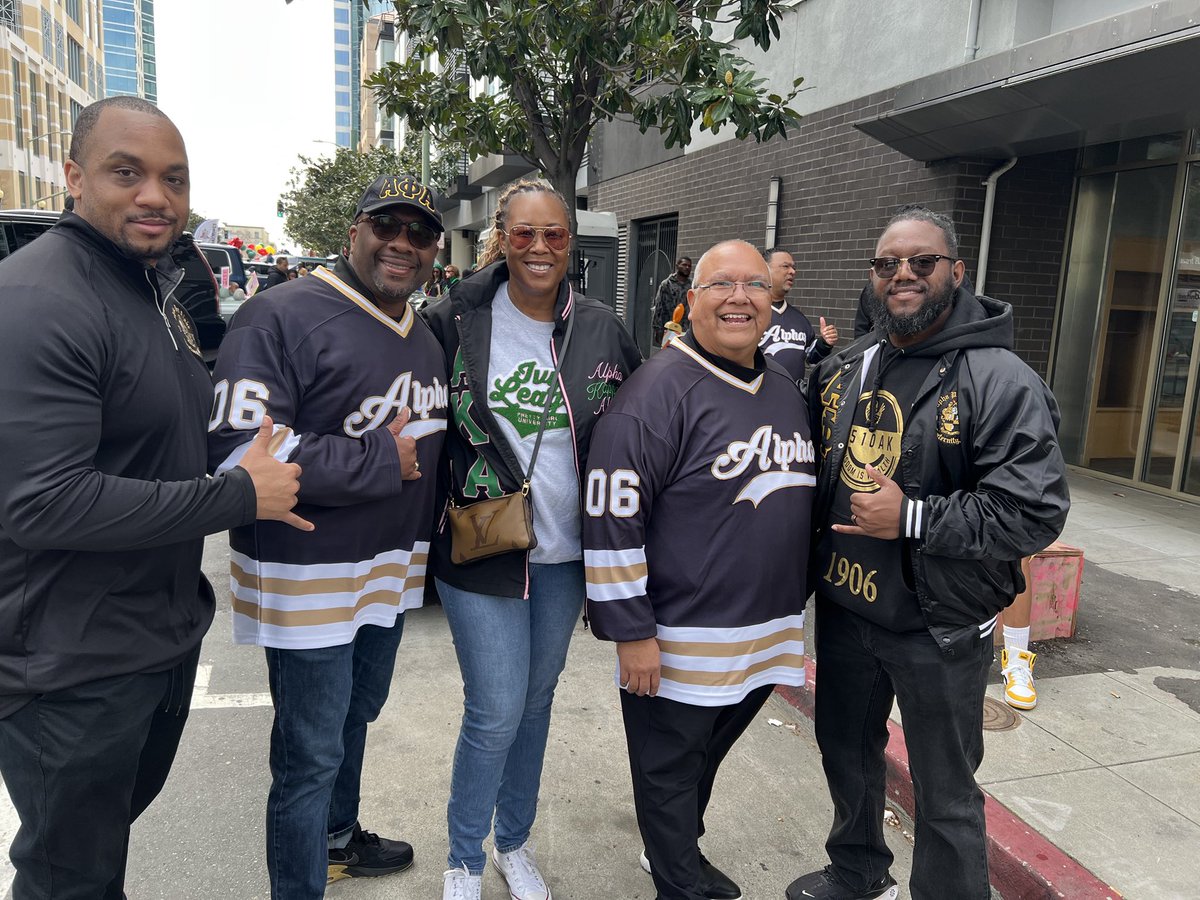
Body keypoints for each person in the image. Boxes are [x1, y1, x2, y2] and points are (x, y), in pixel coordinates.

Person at [0, 96, 306, 900]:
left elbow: (158, 436)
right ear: (74, 177)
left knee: (97, 867)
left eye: (174, 179)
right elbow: (45, 502)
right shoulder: (40, 298)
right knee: (68, 882)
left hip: (145, 645)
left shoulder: (146, 289)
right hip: (69, 670)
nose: (155, 196)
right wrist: (237, 496)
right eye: (126, 172)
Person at [788, 205, 1069, 900]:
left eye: (921, 262)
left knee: (945, 794)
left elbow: (1033, 511)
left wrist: (911, 517)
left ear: (957, 272)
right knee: (847, 757)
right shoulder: (850, 363)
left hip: (936, 625)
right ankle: (857, 873)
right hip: (847, 609)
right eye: (888, 264)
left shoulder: (1001, 379)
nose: (903, 275)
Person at [207, 174, 450, 900]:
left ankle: (339, 840)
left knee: (356, 717)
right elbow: (237, 448)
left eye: (419, 232)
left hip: (391, 568)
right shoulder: (279, 314)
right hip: (307, 573)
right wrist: (378, 459)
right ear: (354, 231)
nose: (402, 243)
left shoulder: (423, 332)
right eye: (387, 226)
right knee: (309, 755)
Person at [422, 178, 641, 900]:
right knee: (494, 710)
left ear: (570, 243)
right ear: (501, 238)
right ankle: (463, 858)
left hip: (565, 556)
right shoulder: (454, 320)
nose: (539, 247)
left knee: (536, 702)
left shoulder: (601, 327)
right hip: (482, 547)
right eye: (524, 233)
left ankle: (513, 843)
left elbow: (643, 427)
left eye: (554, 234)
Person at [583, 240, 814, 900]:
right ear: (690, 301)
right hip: (680, 637)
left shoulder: (783, 387)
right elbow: (610, 517)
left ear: (773, 301)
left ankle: (679, 852)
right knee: (668, 769)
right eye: (721, 285)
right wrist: (631, 630)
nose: (739, 298)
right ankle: (678, 881)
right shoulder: (654, 391)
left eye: (754, 285)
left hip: (766, 634)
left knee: (700, 762)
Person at [759, 247, 839, 383]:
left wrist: (824, 344)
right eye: (785, 266)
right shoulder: (749, 315)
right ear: (764, 270)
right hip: (756, 393)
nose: (792, 271)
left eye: (794, 267)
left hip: (793, 393)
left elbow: (811, 360)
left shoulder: (799, 319)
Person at [651, 256, 692, 347]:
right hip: (668, 329)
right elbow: (658, 307)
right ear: (677, 266)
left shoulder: (692, 287)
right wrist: (657, 329)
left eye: (689, 266)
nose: (687, 267)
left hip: (686, 330)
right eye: (684, 265)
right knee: (668, 352)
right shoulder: (667, 284)